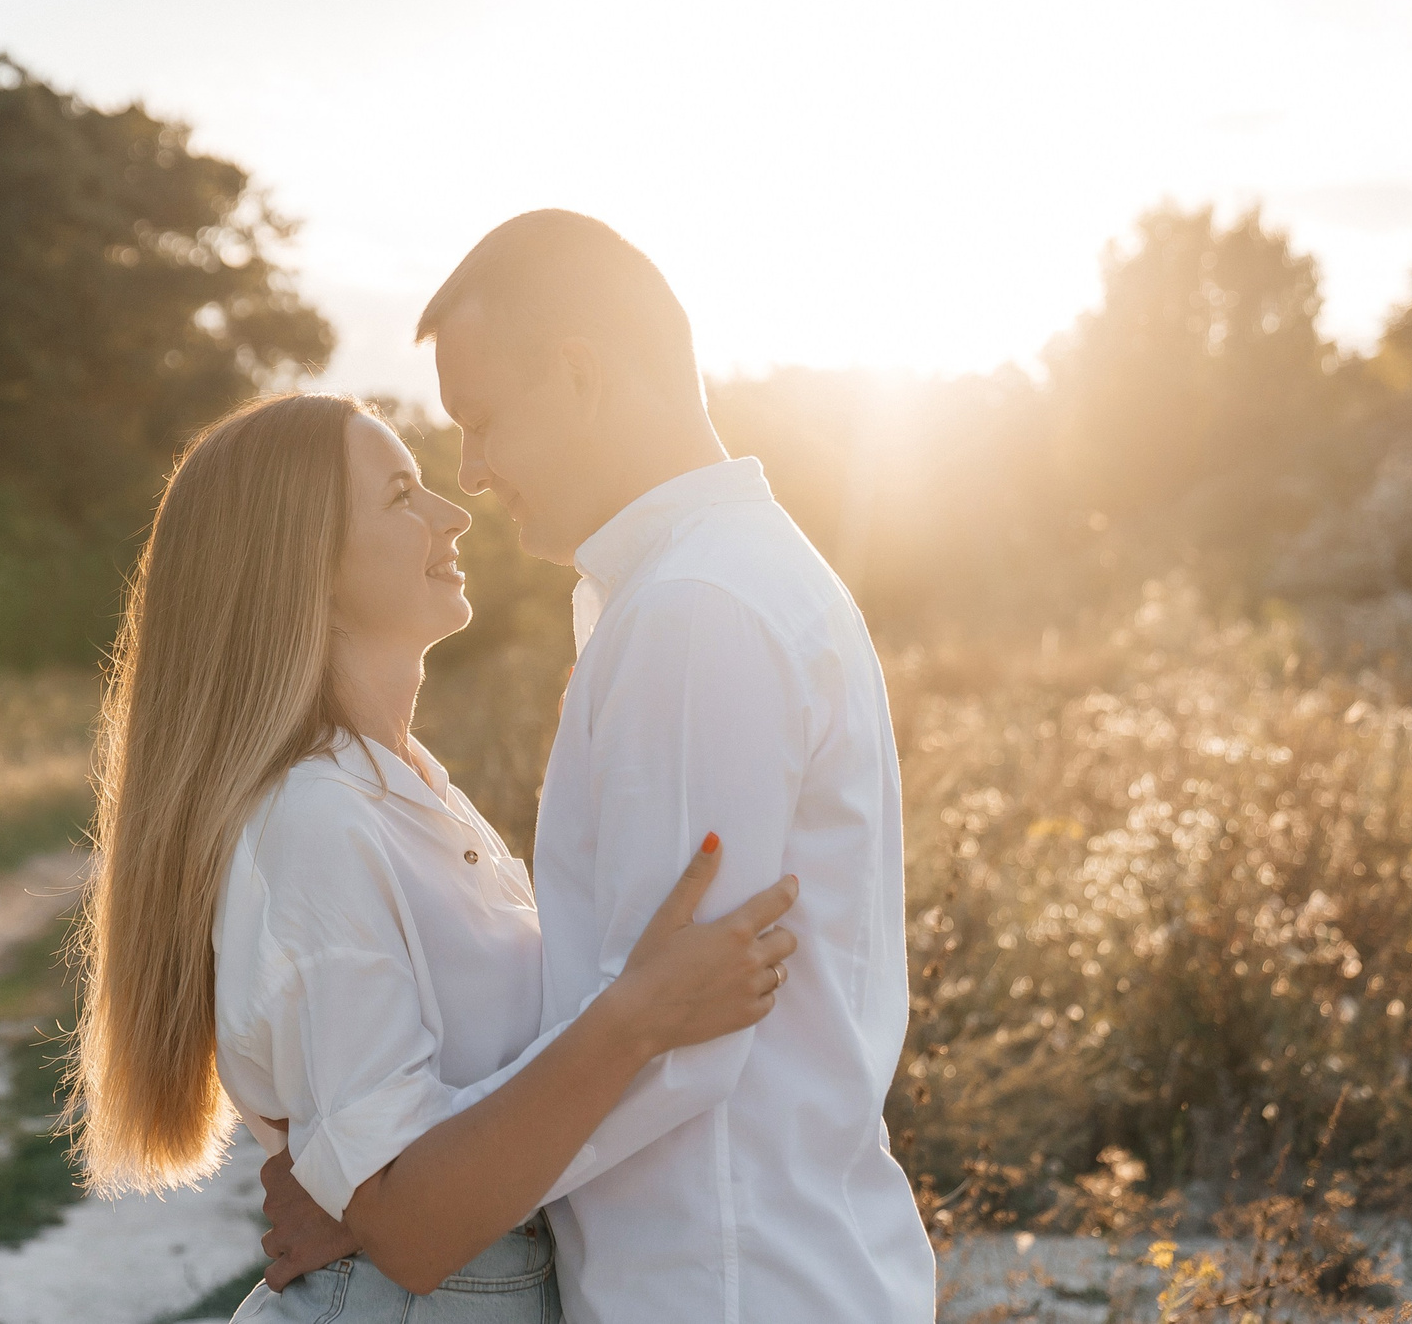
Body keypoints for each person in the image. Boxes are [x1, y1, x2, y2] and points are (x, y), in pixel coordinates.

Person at [259, 212, 938, 1321]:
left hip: (721, 1284)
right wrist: (378, 1174)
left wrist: (397, 1198)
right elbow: (636, 1006)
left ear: (579, 375)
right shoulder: (707, 585)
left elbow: (677, 1038)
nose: (472, 472)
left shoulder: (695, 610)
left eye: (481, 422)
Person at [68, 390, 803, 1319]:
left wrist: (364, 1200)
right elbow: (412, 1230)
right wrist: (640, 1014)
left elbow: (412, 1170)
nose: (453, 512)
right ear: (303, 564)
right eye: (401, 494)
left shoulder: (414, 791)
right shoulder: (316, 822)